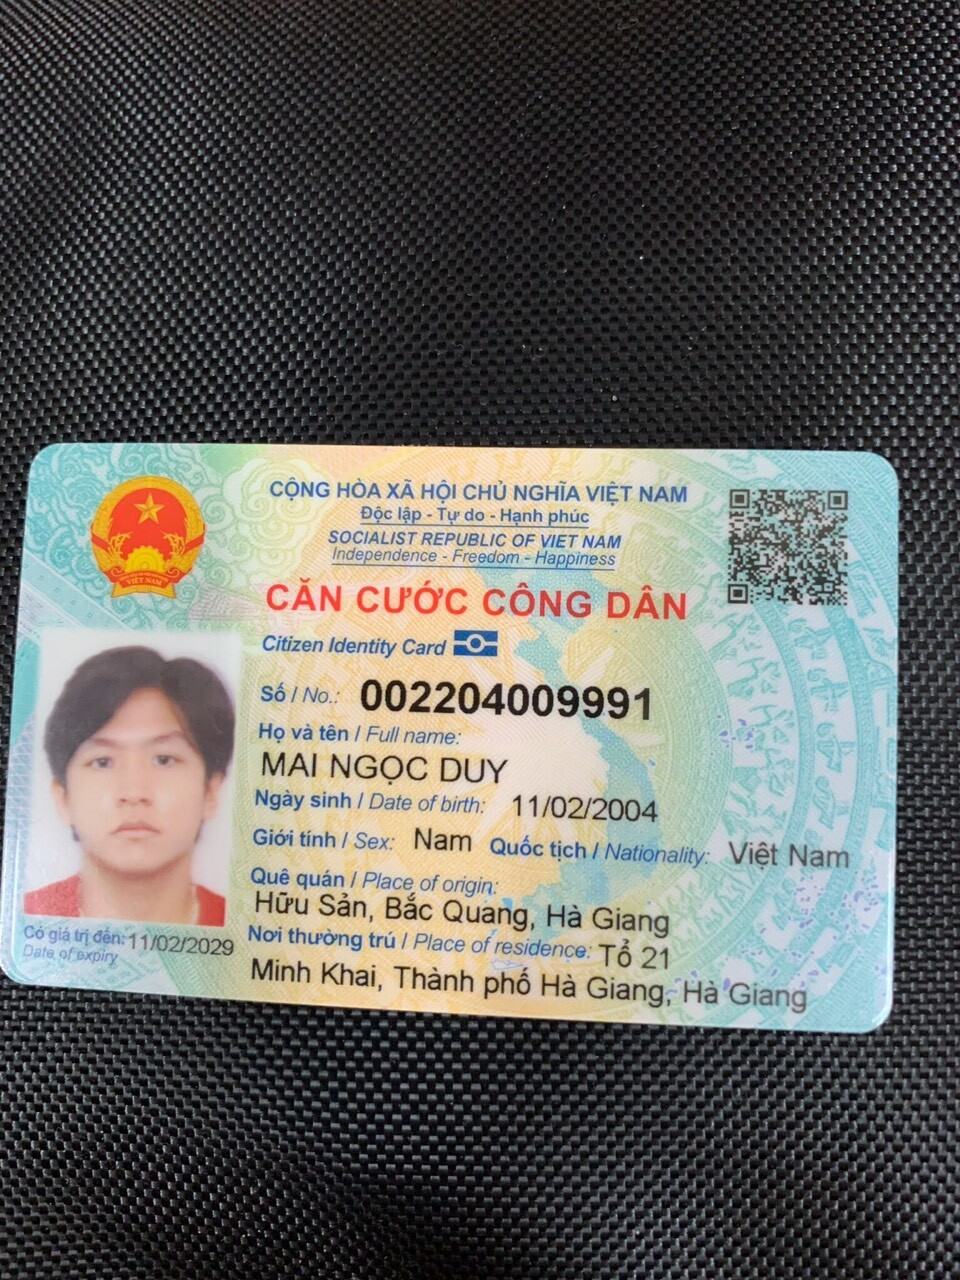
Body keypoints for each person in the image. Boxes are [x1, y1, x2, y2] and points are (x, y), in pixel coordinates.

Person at [24, 645, 234, 926]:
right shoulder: (24, 922)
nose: (134, 793)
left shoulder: (249, 929)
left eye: (163, 760)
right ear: (63, 798)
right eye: (102, 762)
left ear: (210, 791)